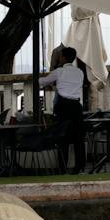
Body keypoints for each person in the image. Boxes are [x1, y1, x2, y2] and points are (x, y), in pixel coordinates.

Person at [39, 44, 90, 173]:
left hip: (63, 106)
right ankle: (80, 166)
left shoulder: (59, 72)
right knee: (78, 137)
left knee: (63, 137)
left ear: (62, 57)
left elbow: (42, 82)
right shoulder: (79, 73)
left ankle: (62, 166)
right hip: (76, 106)